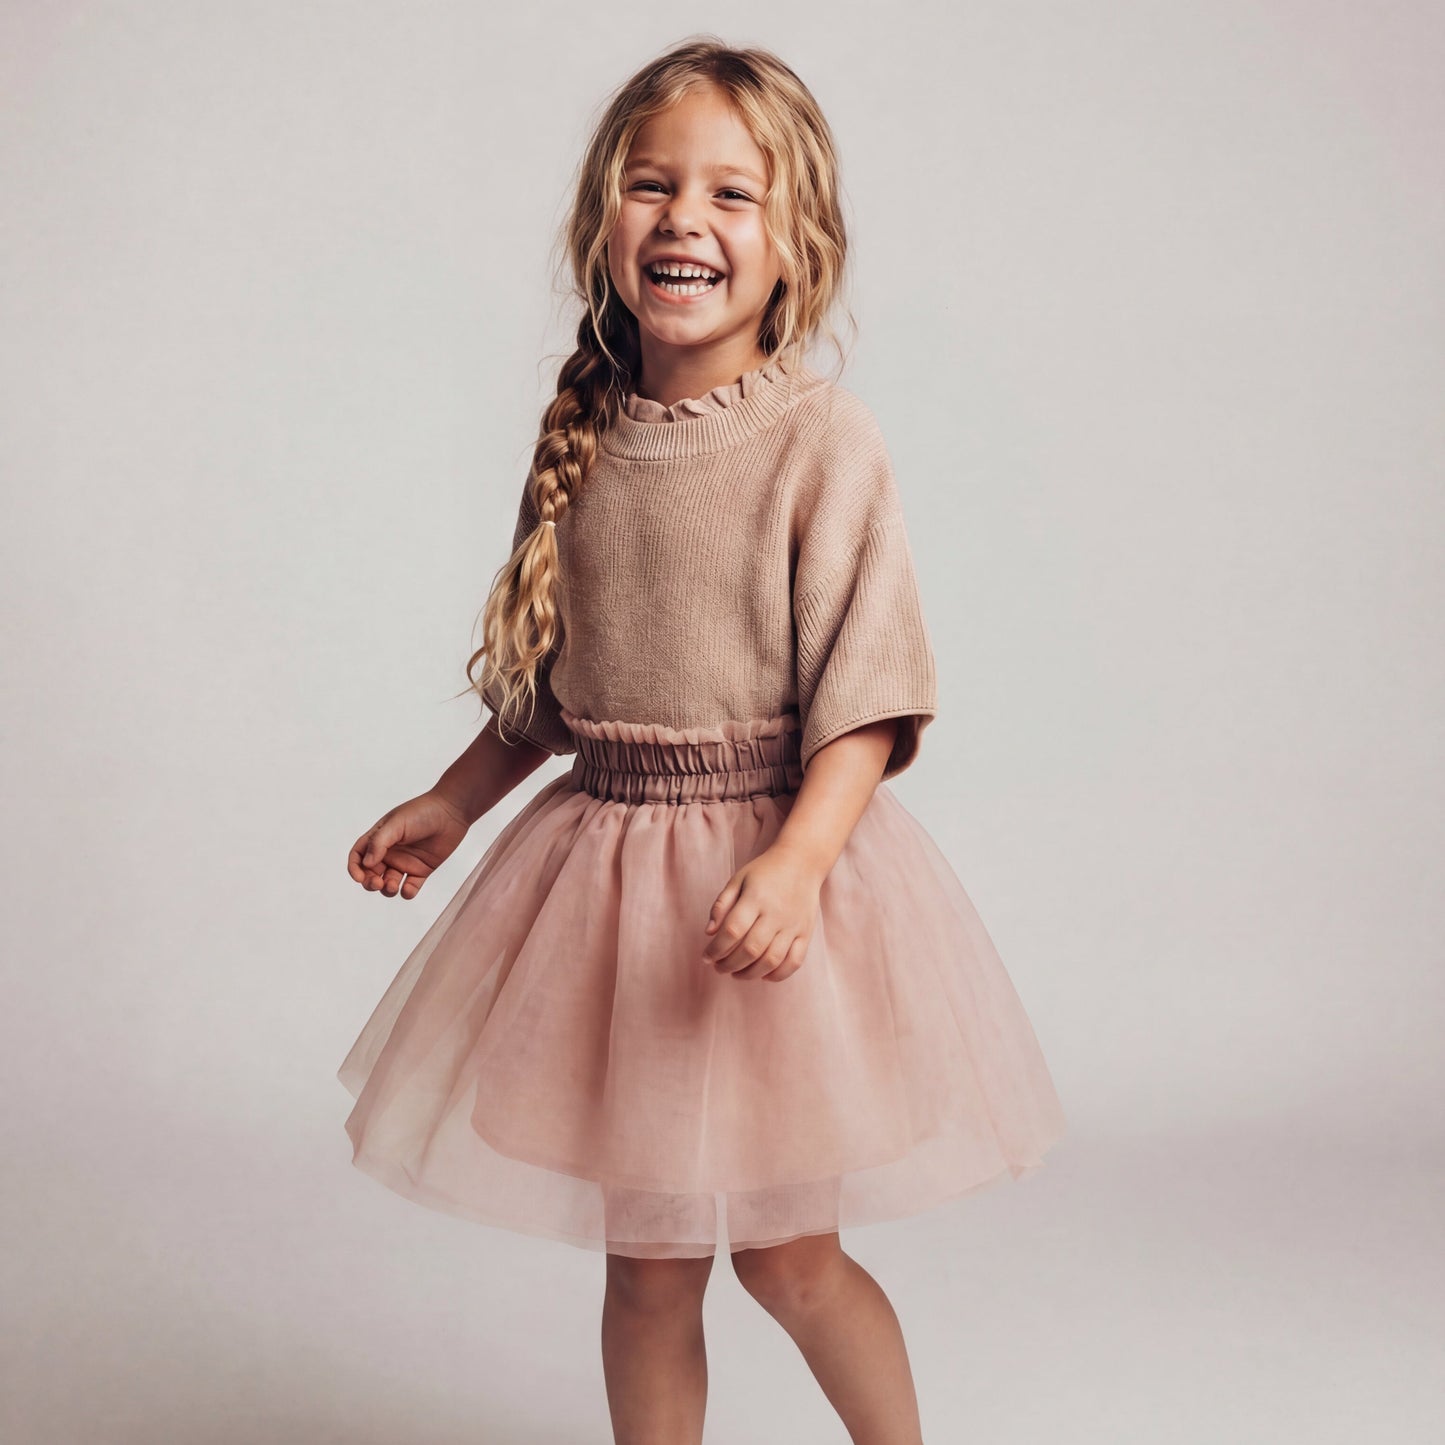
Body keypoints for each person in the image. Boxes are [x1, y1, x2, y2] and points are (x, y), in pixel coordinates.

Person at [338, 37, 1066, 1445]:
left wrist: (797, 861)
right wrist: (452, 799)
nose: (686, 221)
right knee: (647, 1269)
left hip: (767, 891)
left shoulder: (821, 441)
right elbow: (556, 691)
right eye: (652, 186)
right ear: (601, 222)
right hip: (612, 905)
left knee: (787, 1254)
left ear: (795, 244)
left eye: (734, 195)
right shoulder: (584, 443)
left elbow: (867, 693)